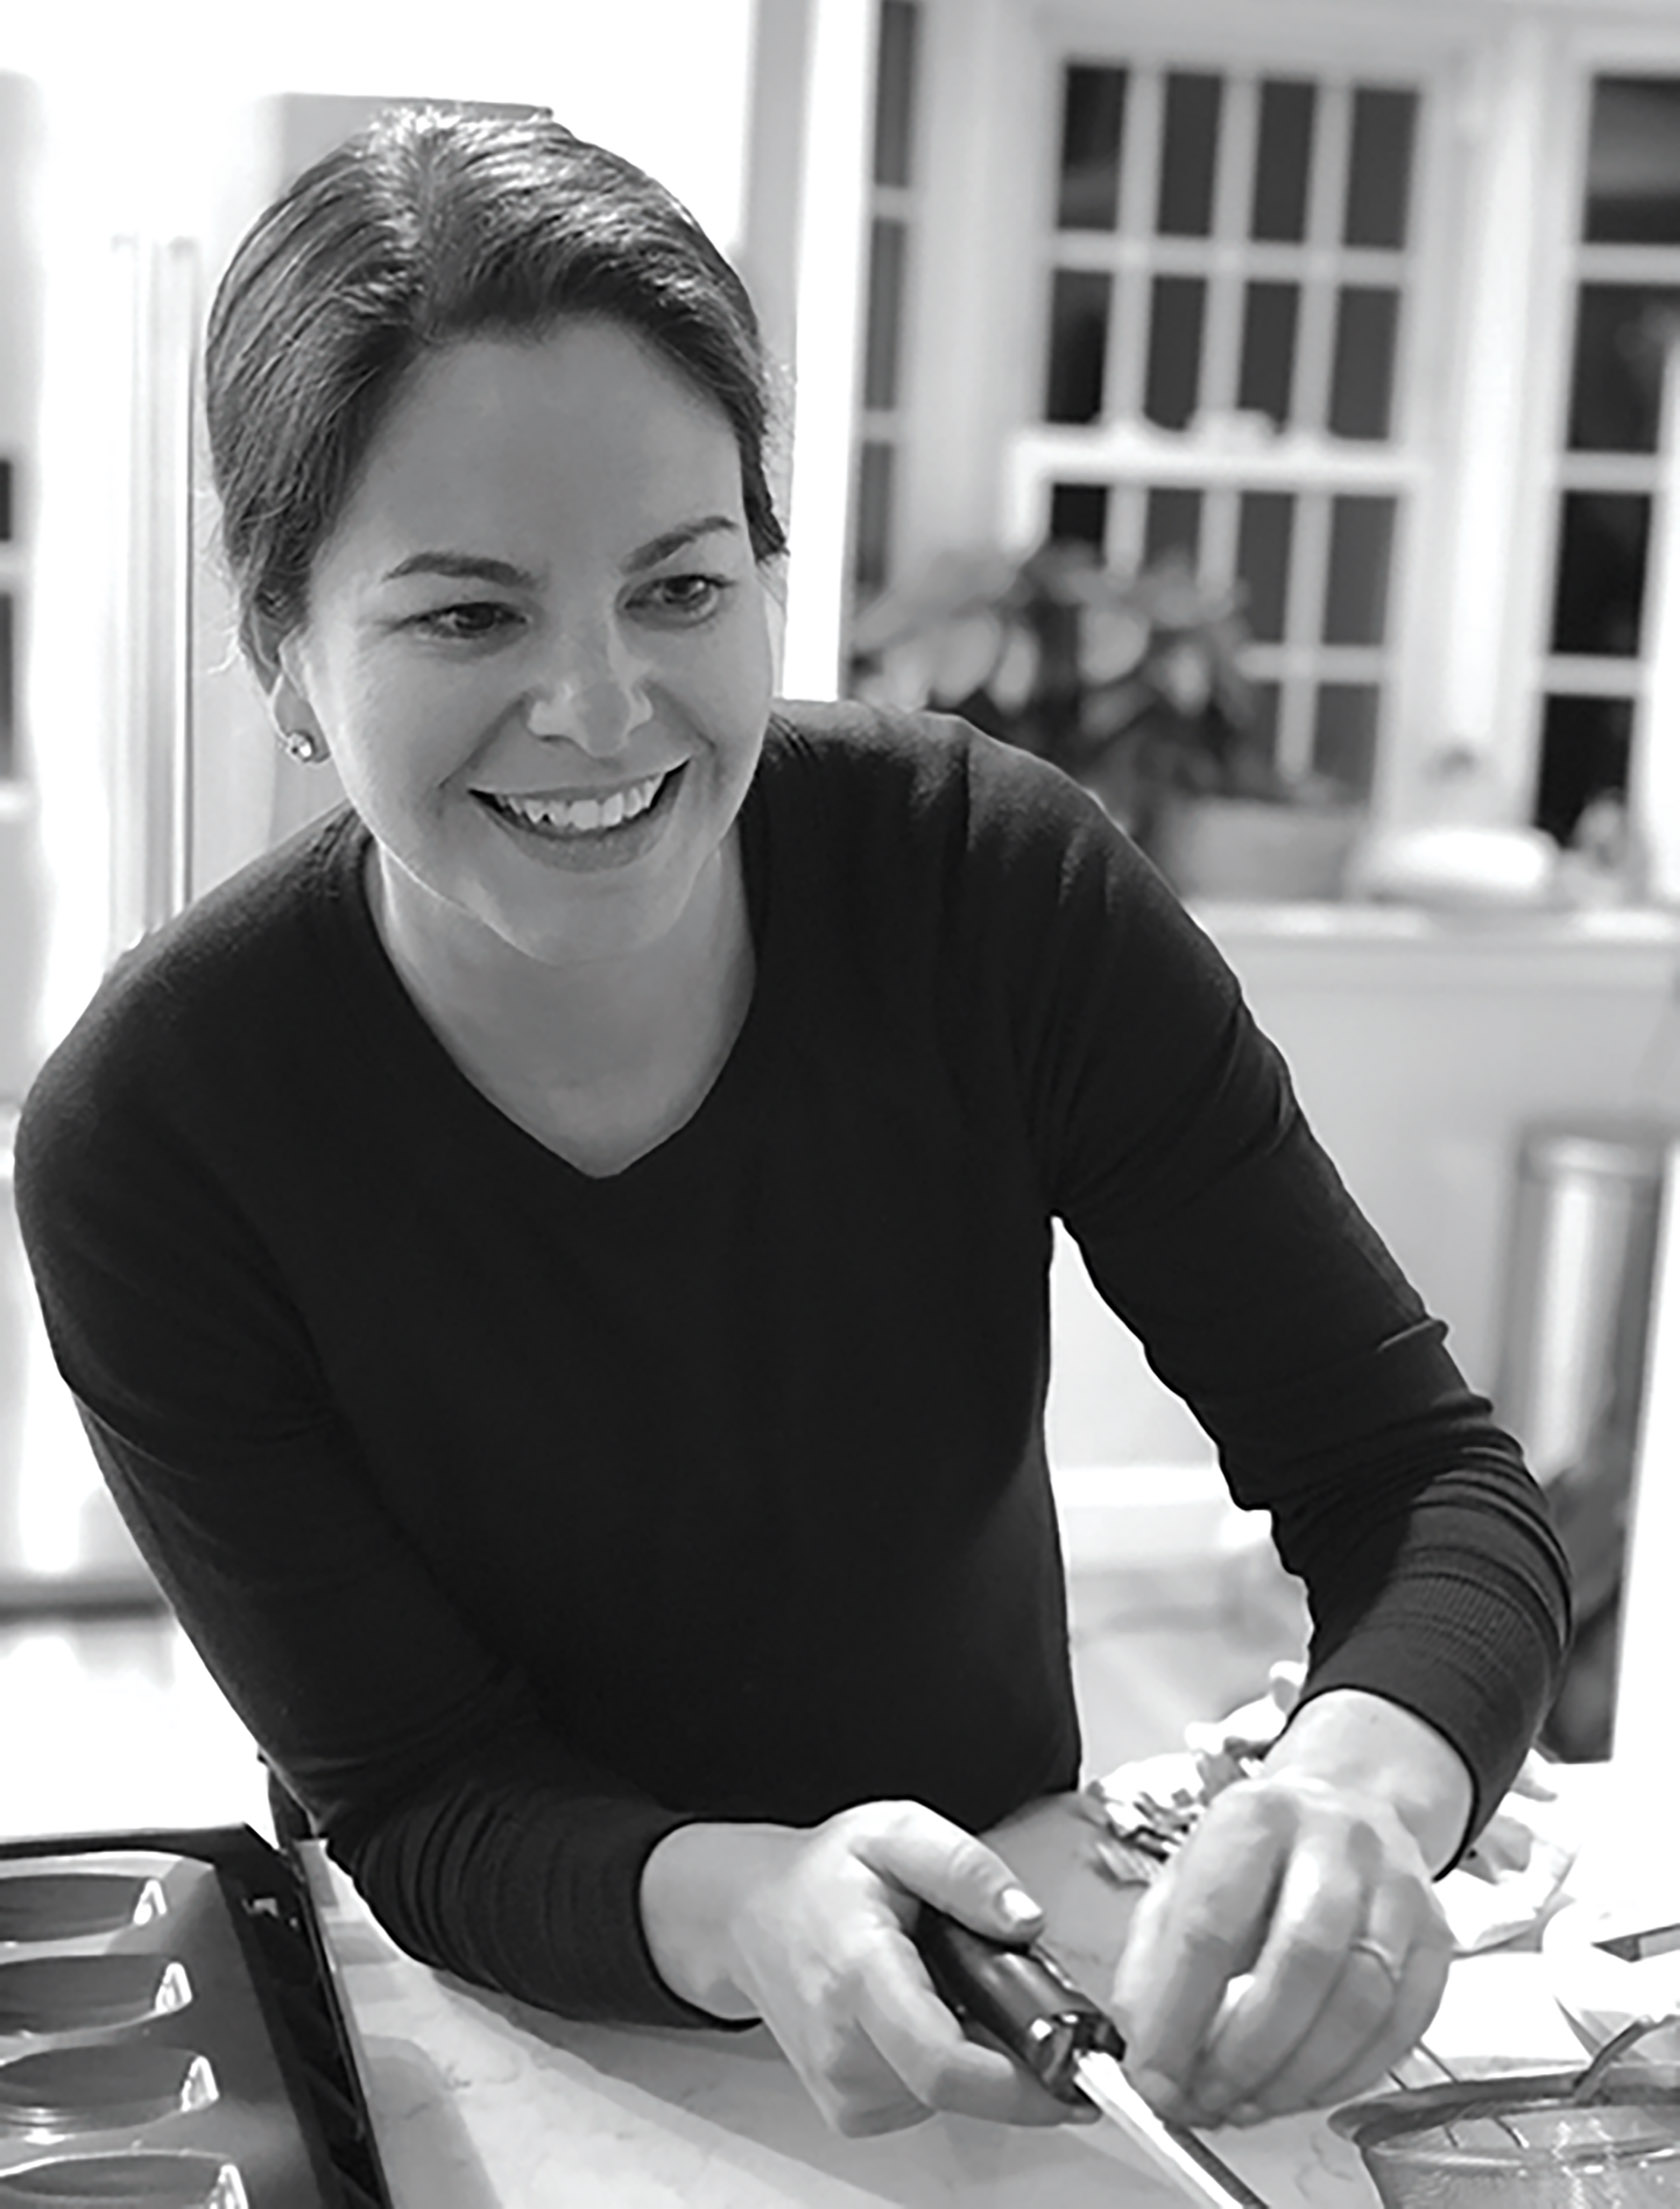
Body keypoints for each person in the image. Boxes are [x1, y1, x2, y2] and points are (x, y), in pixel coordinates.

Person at [14, 106, 1569, 2145]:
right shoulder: (159, 1128)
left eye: (679, 584)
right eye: (468, 616)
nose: (600, 705)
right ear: (283, 645)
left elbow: (1424, 1479)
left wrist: (1366, 1780)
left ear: (767, 566)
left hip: (1018, 1969)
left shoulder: (989, 889)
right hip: (512, 2014)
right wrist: (745, 1900)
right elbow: (418, 1787)